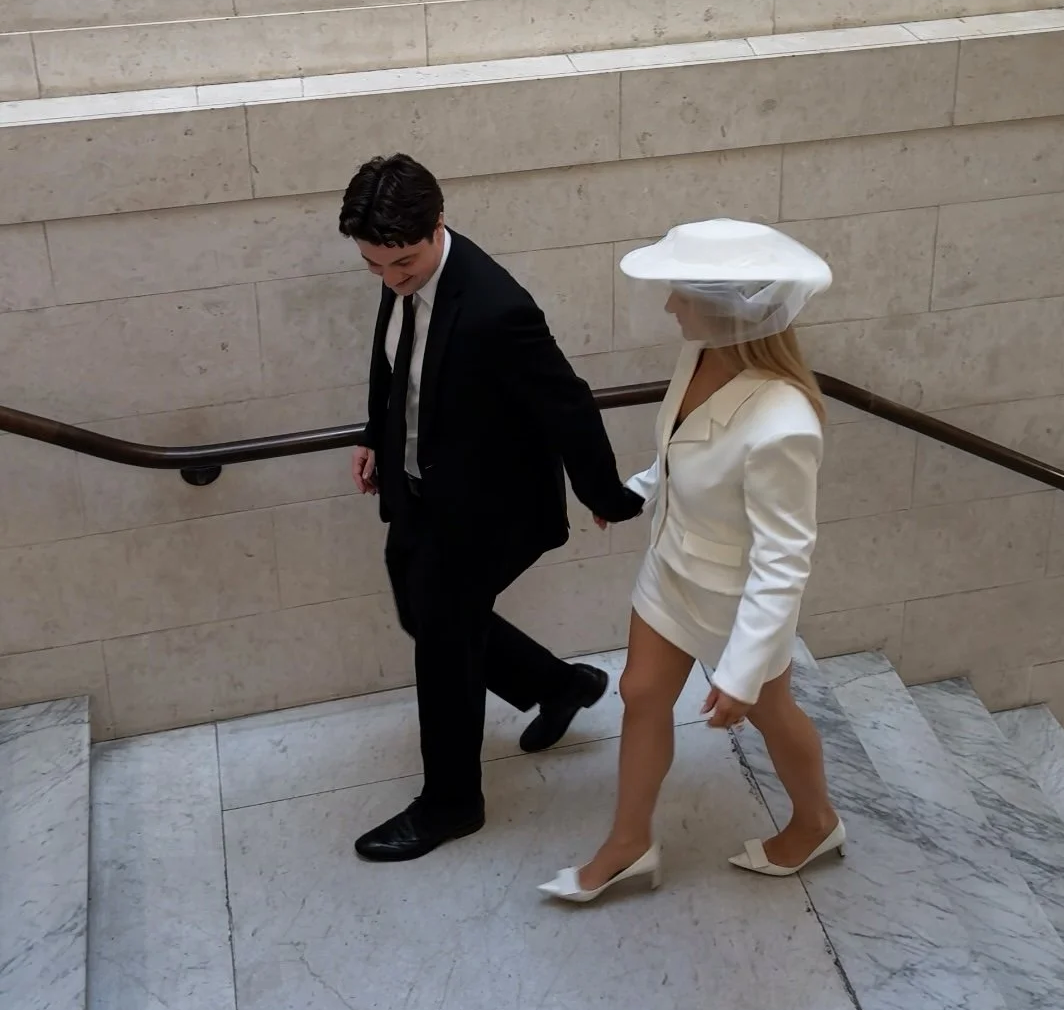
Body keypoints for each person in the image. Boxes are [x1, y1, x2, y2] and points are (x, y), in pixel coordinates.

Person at [340, 153, 643, 863]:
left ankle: (451, 803)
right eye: (374, 267)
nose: (390, 280)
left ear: (438, 224)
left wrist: (604, 493)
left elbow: (567, 403)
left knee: (444, 644)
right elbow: (394, 366)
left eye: (403, 266)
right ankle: (561, 684)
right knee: (420, 611)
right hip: (419, 490)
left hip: (487, 510)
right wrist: (372, 438)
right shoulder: (400, 269)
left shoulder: (496, 308)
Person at [540, 218, 844, 902]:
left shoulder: (783, 424)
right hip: (671, 569)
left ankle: (817, 820)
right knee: (640, 693)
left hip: (738, 602)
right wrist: (638, 491)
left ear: (729, 307)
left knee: (773, 712)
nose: (670, 305)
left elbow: (785, 559)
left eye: (681, 294)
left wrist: (738, 671)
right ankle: (628, 843)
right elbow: (682, 452)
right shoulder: (702, 352)